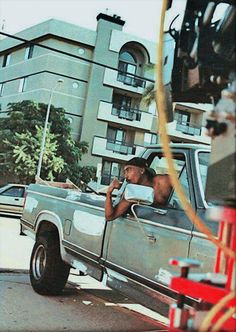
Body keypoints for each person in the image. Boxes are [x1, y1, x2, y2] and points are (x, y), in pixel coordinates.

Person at [105, 157, 172, 221]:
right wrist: (109, 193)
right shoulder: (133, 193)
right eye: (124, 172)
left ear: (142, 170)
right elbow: (109, 216)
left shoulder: (164, 181)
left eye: (128, 170)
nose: (126, 176)